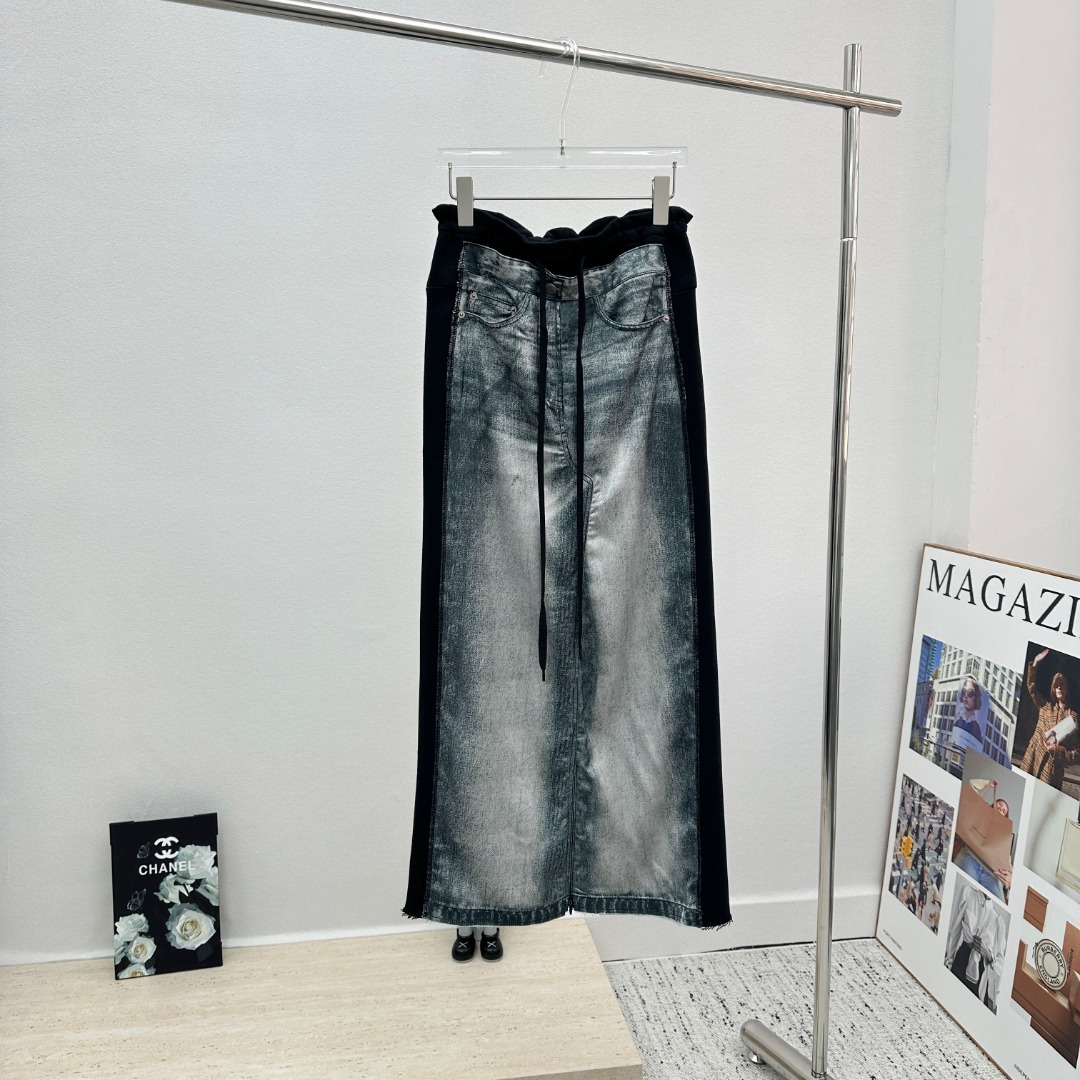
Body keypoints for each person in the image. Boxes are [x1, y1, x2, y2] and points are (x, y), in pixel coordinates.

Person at [1019, 647, 1080, 788]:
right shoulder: (1046, 707)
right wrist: (1035, 664)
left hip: (1052, 771)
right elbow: (1032, 688)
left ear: (1067, 688)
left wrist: (1057, 751)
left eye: (1062, 684)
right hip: (1032, 759)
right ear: (1053, 689)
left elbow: (1077, 754)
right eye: (1056, 685)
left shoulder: (1073, 718)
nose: (1059, 687)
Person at [945, 883, 1006, 1010]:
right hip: (961, 959)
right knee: (949, 998)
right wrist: (948, 961)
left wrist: (989, 955)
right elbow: (954, 932)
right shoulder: (968, 895)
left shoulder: (997, 921)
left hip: (980, 972)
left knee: (967, 1008)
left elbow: (1001, 963)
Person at [953, 778, 1013, 901]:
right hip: (971, 859)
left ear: (1005, 817)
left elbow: (1007, 862)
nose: (1000, 809)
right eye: (999, 805)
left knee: (998, 901)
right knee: (965, 892)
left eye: (1004, 811)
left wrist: (1011, 878)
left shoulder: (1004, 836)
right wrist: (987, 784)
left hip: (991, 874)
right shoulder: (980, 812)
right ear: (993, 804)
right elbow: (972, 787)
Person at [948, 677, 986, 775]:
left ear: (976, 698)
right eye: (964, 692)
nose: (966, 696)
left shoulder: (977, 729)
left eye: (970, 693)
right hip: (951, 766)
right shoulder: (958, 722)